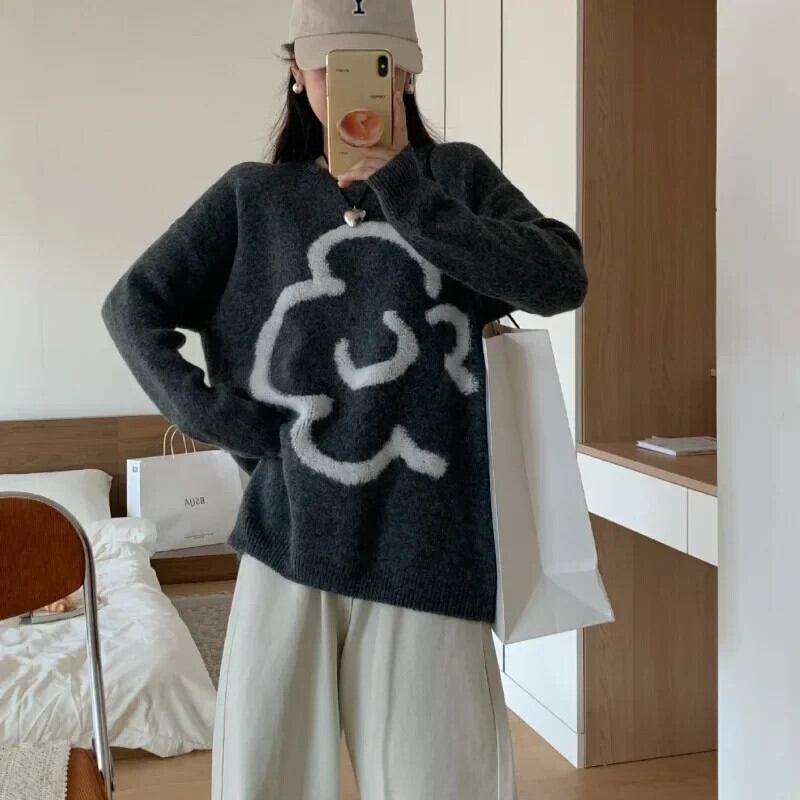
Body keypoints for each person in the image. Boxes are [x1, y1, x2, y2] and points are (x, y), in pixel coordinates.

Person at [100, 1, 588, 797]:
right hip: (290, 534)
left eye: (378, 65)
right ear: (298, 72)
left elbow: (560, 277)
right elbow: (133, 305)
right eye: (331, 65)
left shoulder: (453, 177)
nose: (353, 85)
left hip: (430, 545)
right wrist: (215, 416)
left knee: (443, 783)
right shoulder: (252, 197)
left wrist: (405, 190)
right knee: (266, 779)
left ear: (410, 72)